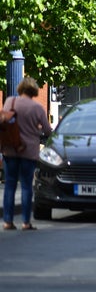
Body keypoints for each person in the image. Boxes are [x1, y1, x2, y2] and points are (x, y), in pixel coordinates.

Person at [2, 77, 53, 231]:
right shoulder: (37, 108)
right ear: (34, 91)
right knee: (26, 186)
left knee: (9, 185)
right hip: (28, 151)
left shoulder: (10, 101)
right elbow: (47, 130)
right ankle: (25, 222)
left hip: (10, 149)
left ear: (21, 88)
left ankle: (8, 221)